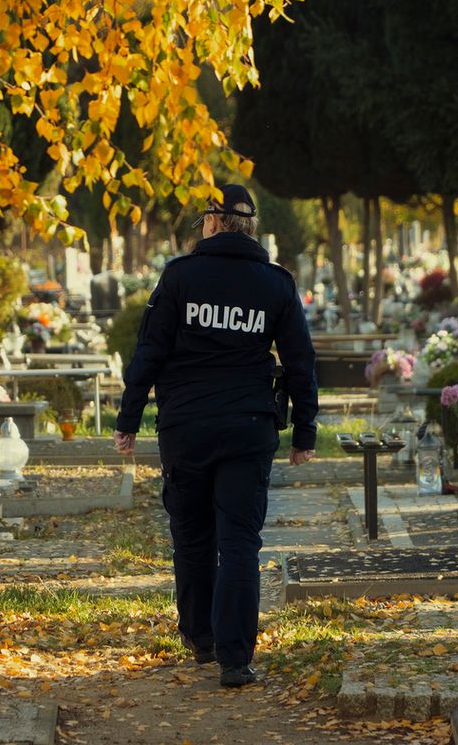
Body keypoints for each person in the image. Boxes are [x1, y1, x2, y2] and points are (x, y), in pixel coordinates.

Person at [113, 184, 318, 687]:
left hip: (186, 428)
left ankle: (200, 636)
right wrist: (305, 431)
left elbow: (150, 352)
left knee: (192, 534)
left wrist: (128, 418)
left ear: (211, 222)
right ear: (250, 226)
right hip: (248, 427)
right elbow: (299, 361)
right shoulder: (276, 284)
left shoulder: (180, 277)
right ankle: (235, 658)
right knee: (240, 541)